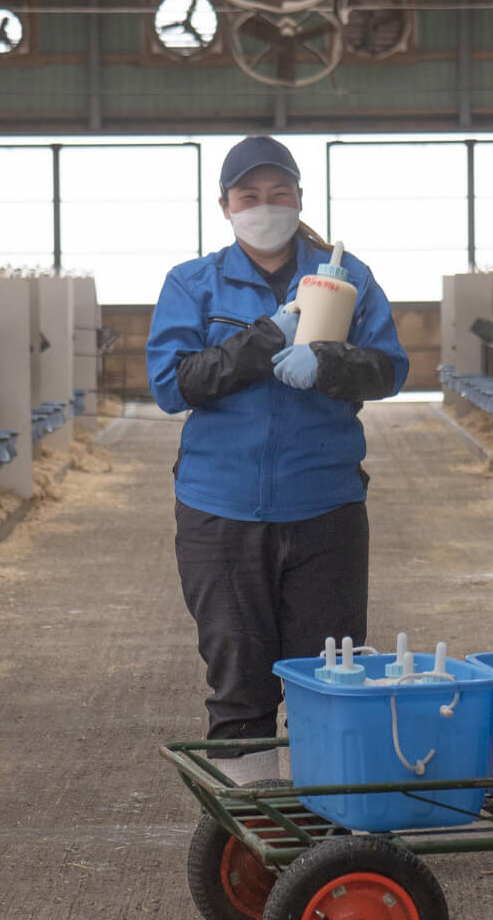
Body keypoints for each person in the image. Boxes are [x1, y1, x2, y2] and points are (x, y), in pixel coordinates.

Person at [147, 135, 409, 784]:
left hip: (324, 508)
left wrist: (328, 361)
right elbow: (171, 386)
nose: (264, 206)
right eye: (249, 196)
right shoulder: (192, 283)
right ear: (225, 206)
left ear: (297, 199)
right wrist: (263, 340)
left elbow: (389, 371)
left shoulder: (347, 277)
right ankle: (252, 833)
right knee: (238, 676)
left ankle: (328, 826)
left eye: (277, 193)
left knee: (331, 673)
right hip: (220, 510)